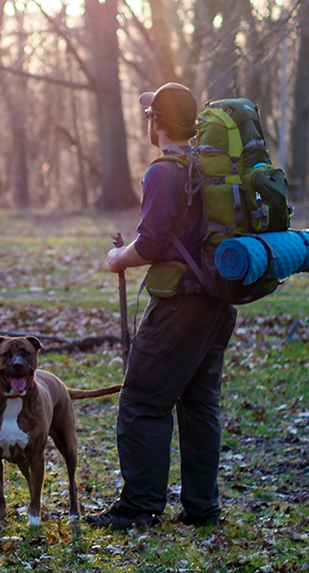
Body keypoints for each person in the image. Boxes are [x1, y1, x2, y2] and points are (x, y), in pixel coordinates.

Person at [86, 82, 237, 530]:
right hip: (218, 303)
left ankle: (139, 507)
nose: (146, 122)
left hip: (180, 306)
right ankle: (202, 508)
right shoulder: (208, 167)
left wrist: (117, 258)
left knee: (142, 400)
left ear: (156, 121)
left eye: (149, 115)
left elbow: (150, 244)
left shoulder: (163, 171)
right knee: (199, 404)